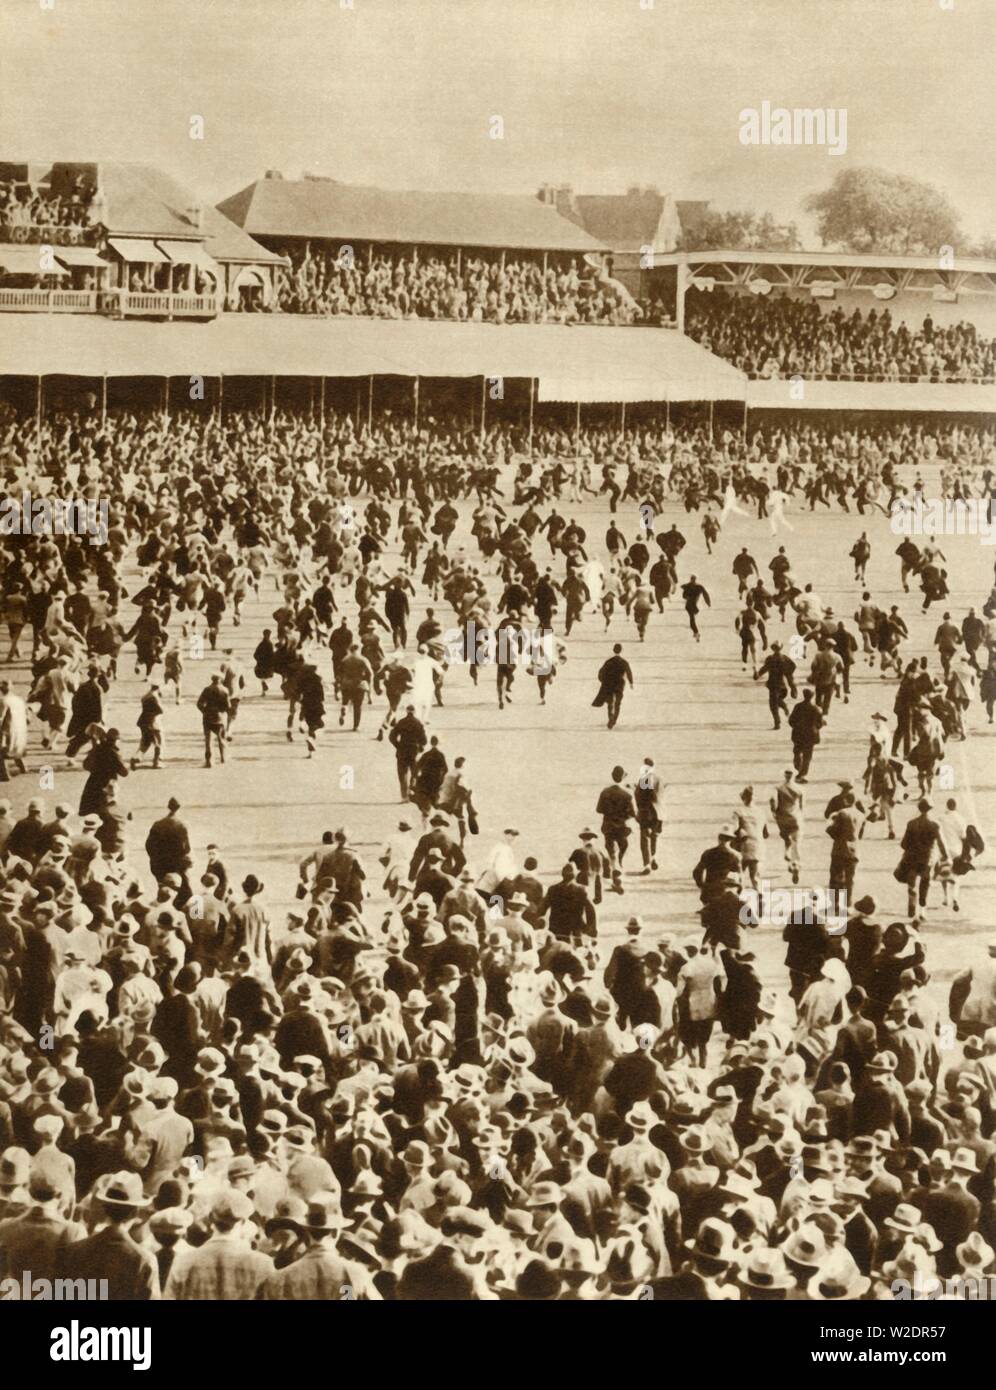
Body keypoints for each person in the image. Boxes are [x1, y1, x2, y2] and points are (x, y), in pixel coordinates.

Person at [591, 644, 633, 730]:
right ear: (621, 650)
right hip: (620, 684)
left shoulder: (608, 661)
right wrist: (631, 682)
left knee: (610, 702)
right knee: (618, 703)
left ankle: (610, 716)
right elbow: (629, 672)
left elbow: (601, 672)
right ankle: (614, 720)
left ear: (613, 650)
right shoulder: (624, 661)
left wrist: (602, 681)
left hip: (609, 684)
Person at [197, 674, 231, 768]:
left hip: (208, 717)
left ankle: (209, 761)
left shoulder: (207, 689)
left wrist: (204, 711)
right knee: (221, 739)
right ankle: (223, 758)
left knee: (208, 741)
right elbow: (228, 706)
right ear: (220, 679)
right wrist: (223, 711)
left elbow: (199, 703)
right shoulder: (225, 690)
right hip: (220, 717)